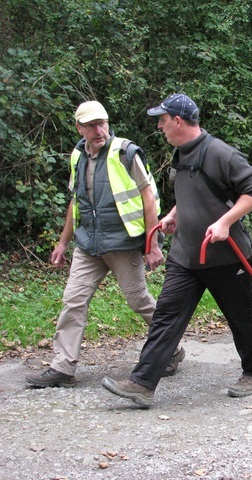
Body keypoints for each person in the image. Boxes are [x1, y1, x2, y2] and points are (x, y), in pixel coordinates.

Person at [102, 94, 252, 406]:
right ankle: (142, 382)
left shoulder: (220, 152)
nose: (160, 126)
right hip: (187, 255)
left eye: (163, 120)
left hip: (226, 255)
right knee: (166, 315)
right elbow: (193, 191)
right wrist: (173, 216)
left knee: (242, 317)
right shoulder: (181, 153)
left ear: (178, 120)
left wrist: (225, 222)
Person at [24, 100, 177, 388]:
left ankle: (172, 348)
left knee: (139, 301)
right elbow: (75, 200)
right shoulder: (78, 156)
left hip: (122, 243)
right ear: (79, 128)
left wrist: (152, 243)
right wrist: (63, 242)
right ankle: (63, 368)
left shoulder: (125, 152)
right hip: (89, 245)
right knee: (73, 301)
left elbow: (148, 199)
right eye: (92, 125)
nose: (99, 130)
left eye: (102, 123)